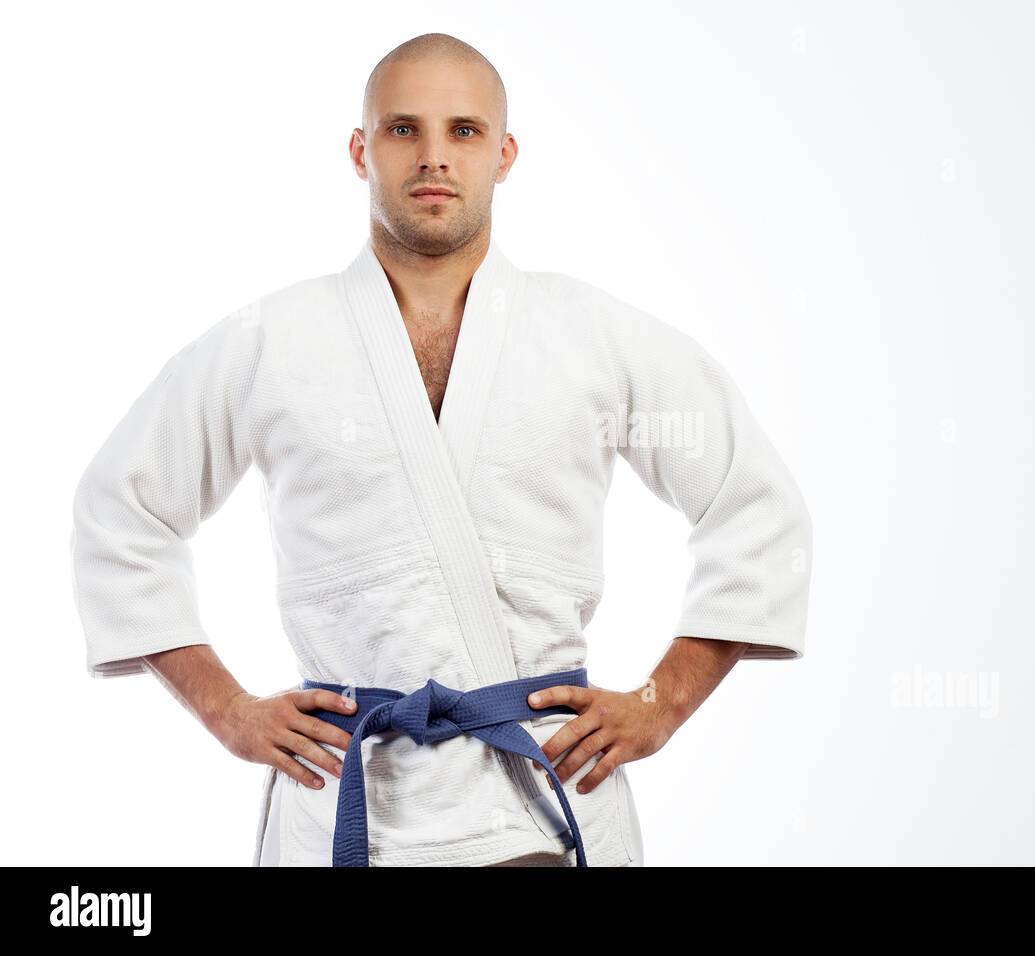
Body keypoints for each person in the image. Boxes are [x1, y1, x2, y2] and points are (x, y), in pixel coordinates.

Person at [69, 32, 813, 867]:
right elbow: (119, 509)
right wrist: (225, 709)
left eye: (464, 131)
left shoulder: (593, 336)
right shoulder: (269, 342)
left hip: (535, 807)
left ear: (505, 154)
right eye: (402, 129)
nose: (434, 157)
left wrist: (660, 702)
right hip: (346, 807)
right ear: (360, 150)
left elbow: (757, 507)